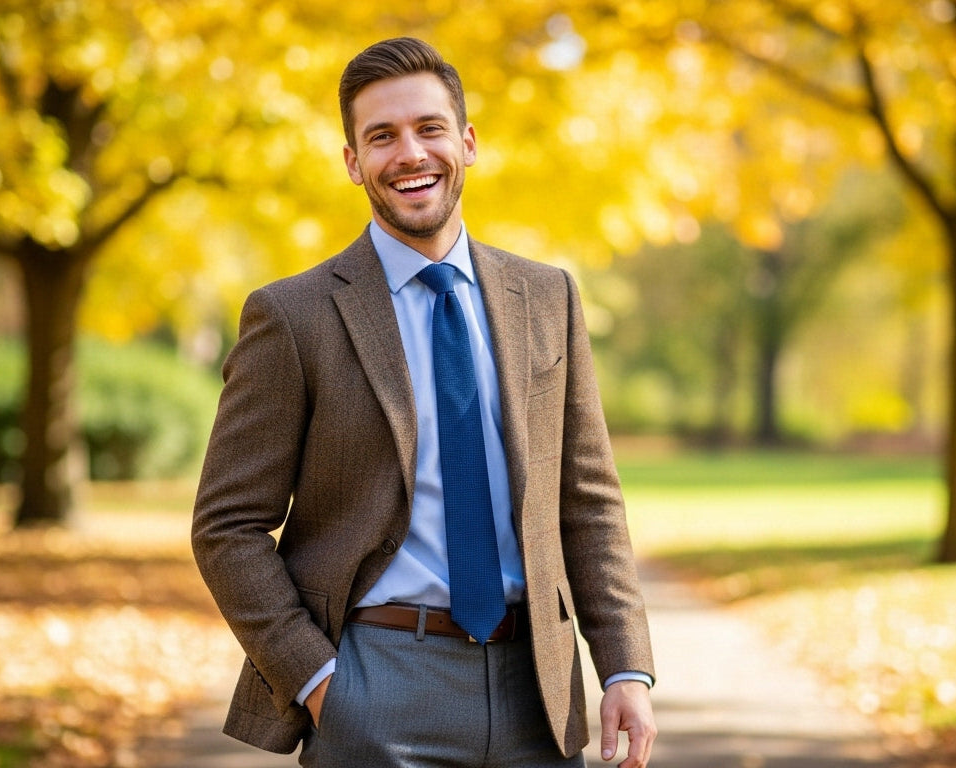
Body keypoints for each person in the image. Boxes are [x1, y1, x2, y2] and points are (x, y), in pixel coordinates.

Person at [191, 37, 657, 768]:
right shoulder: (293, 316)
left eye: (429, 128)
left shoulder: (547, 298)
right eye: (381, 136)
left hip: (539, 689)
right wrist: (319, 683)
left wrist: (624, 665)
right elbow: (227, 525)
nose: (410, 154)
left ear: (466, 143)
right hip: (377, 683)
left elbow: (588, 499)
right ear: (353, 162)